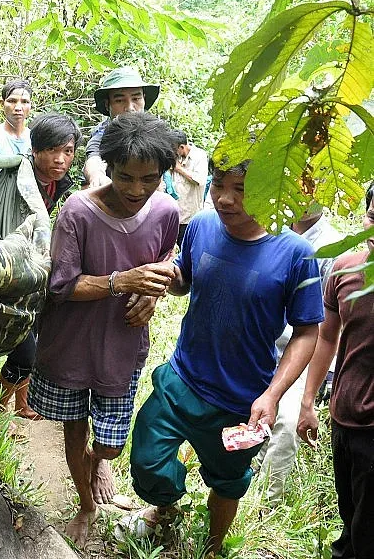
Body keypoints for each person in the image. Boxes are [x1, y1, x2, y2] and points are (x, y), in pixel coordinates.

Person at [127, 161, 323, 556]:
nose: (224, 198)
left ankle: (213, 548)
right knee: (147, 462)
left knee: (228, 482)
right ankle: (165, 509)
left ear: (269, 188)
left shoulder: (296, 254)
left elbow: (307, 332)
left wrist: (272, 395)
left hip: (241, 400)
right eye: (218, 184)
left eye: (242, 189)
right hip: (182, 378)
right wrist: (165, 278)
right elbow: (186, 276)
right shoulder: (201, 224)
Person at [27, 111, 180, 546]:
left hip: (123, 345)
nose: (136, 189)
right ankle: (86, 506)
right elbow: (59, 286)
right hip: (70, 343)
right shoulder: (77, 211)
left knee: (111, 444)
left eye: (148, 179)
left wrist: (153, 289)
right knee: (73, 426)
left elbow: (167, 255)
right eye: (125, 177)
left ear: (161, 175)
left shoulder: (166, 210)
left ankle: (98, 463)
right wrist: (121, 281)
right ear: (107, 168)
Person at [298, 183, 374, 559]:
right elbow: (326, 337)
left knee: (366, 529)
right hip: (343, 417)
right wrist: (308, 402)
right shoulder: (345, 269)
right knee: (350, 515)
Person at [0, 112, 82, 422]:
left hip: (36, 270)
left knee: (35, 339)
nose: (60, 159)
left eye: (67, 151)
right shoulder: (17, 176)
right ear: (35, 150)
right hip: (11, 266)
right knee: (25, 347)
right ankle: (1, 409)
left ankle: (23, 402)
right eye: (52, 150)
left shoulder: (58, 185)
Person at [254, 204, 341, 504]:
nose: (304, 194)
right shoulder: (267, 226)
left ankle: (265, 505)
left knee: (287, 425)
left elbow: (328, 328)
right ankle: (239, 486)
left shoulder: (332, 247)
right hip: (260, 340)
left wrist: (310, 394)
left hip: (301, 350)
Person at [82, 66, 160, 188]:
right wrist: (97, 176)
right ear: (108, 105)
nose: (129, 107)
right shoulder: (103, 132)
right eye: (119, 100)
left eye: (136, 98)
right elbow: (95, 158)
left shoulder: (155, 130)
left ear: (144, 99)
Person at [169, 129, 209, 245]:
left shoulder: (199, 156)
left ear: (182, 147)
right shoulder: (176, 157)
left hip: (190, 217)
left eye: (174, 149)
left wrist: (179, 169)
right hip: (175, 215)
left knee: (187, 247)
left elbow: (199, 180)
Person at [0, 79, 34, 157]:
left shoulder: (35, 139)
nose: (18, 107)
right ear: (2, 104)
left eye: (24, 102)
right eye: (12, 101)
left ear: (30, 105)